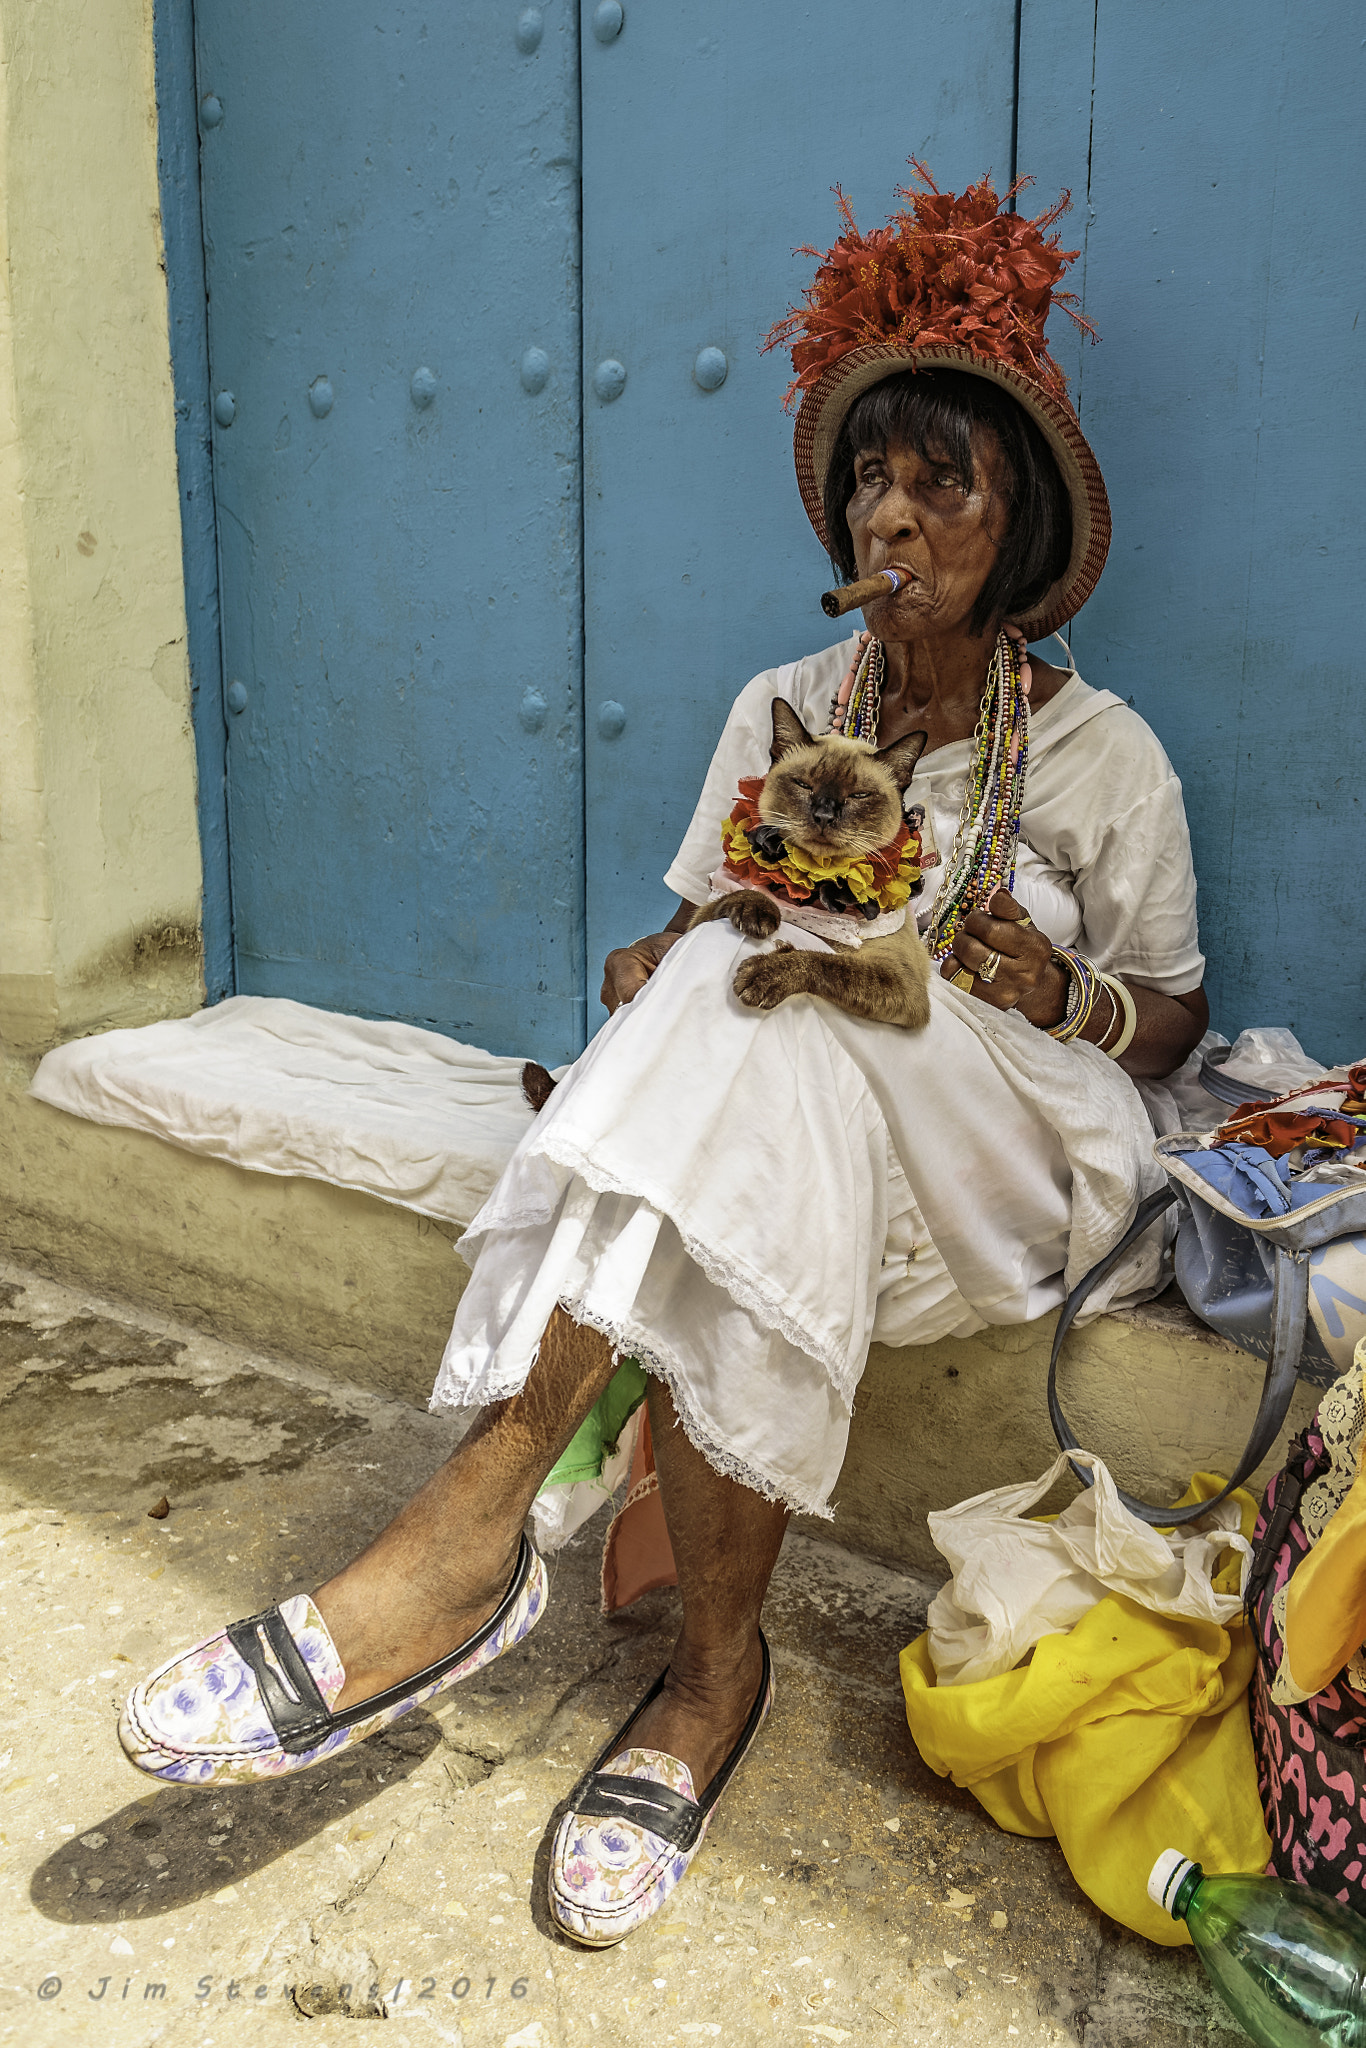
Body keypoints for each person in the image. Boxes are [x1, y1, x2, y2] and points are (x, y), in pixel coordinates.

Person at [118, 168, 1209, 1948]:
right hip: (803, 1135)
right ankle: (707, 1682)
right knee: (745, 995)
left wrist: (1061, 991)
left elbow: (1167, 1016)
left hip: (1011, 1145)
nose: (896, 510)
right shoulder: (771, 711)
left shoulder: (1105, 756)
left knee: (761, 997)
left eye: (946, 479)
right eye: (872, 473)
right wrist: (671, 955)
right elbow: (703, 943)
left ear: (1013, 533)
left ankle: (470, 1543)